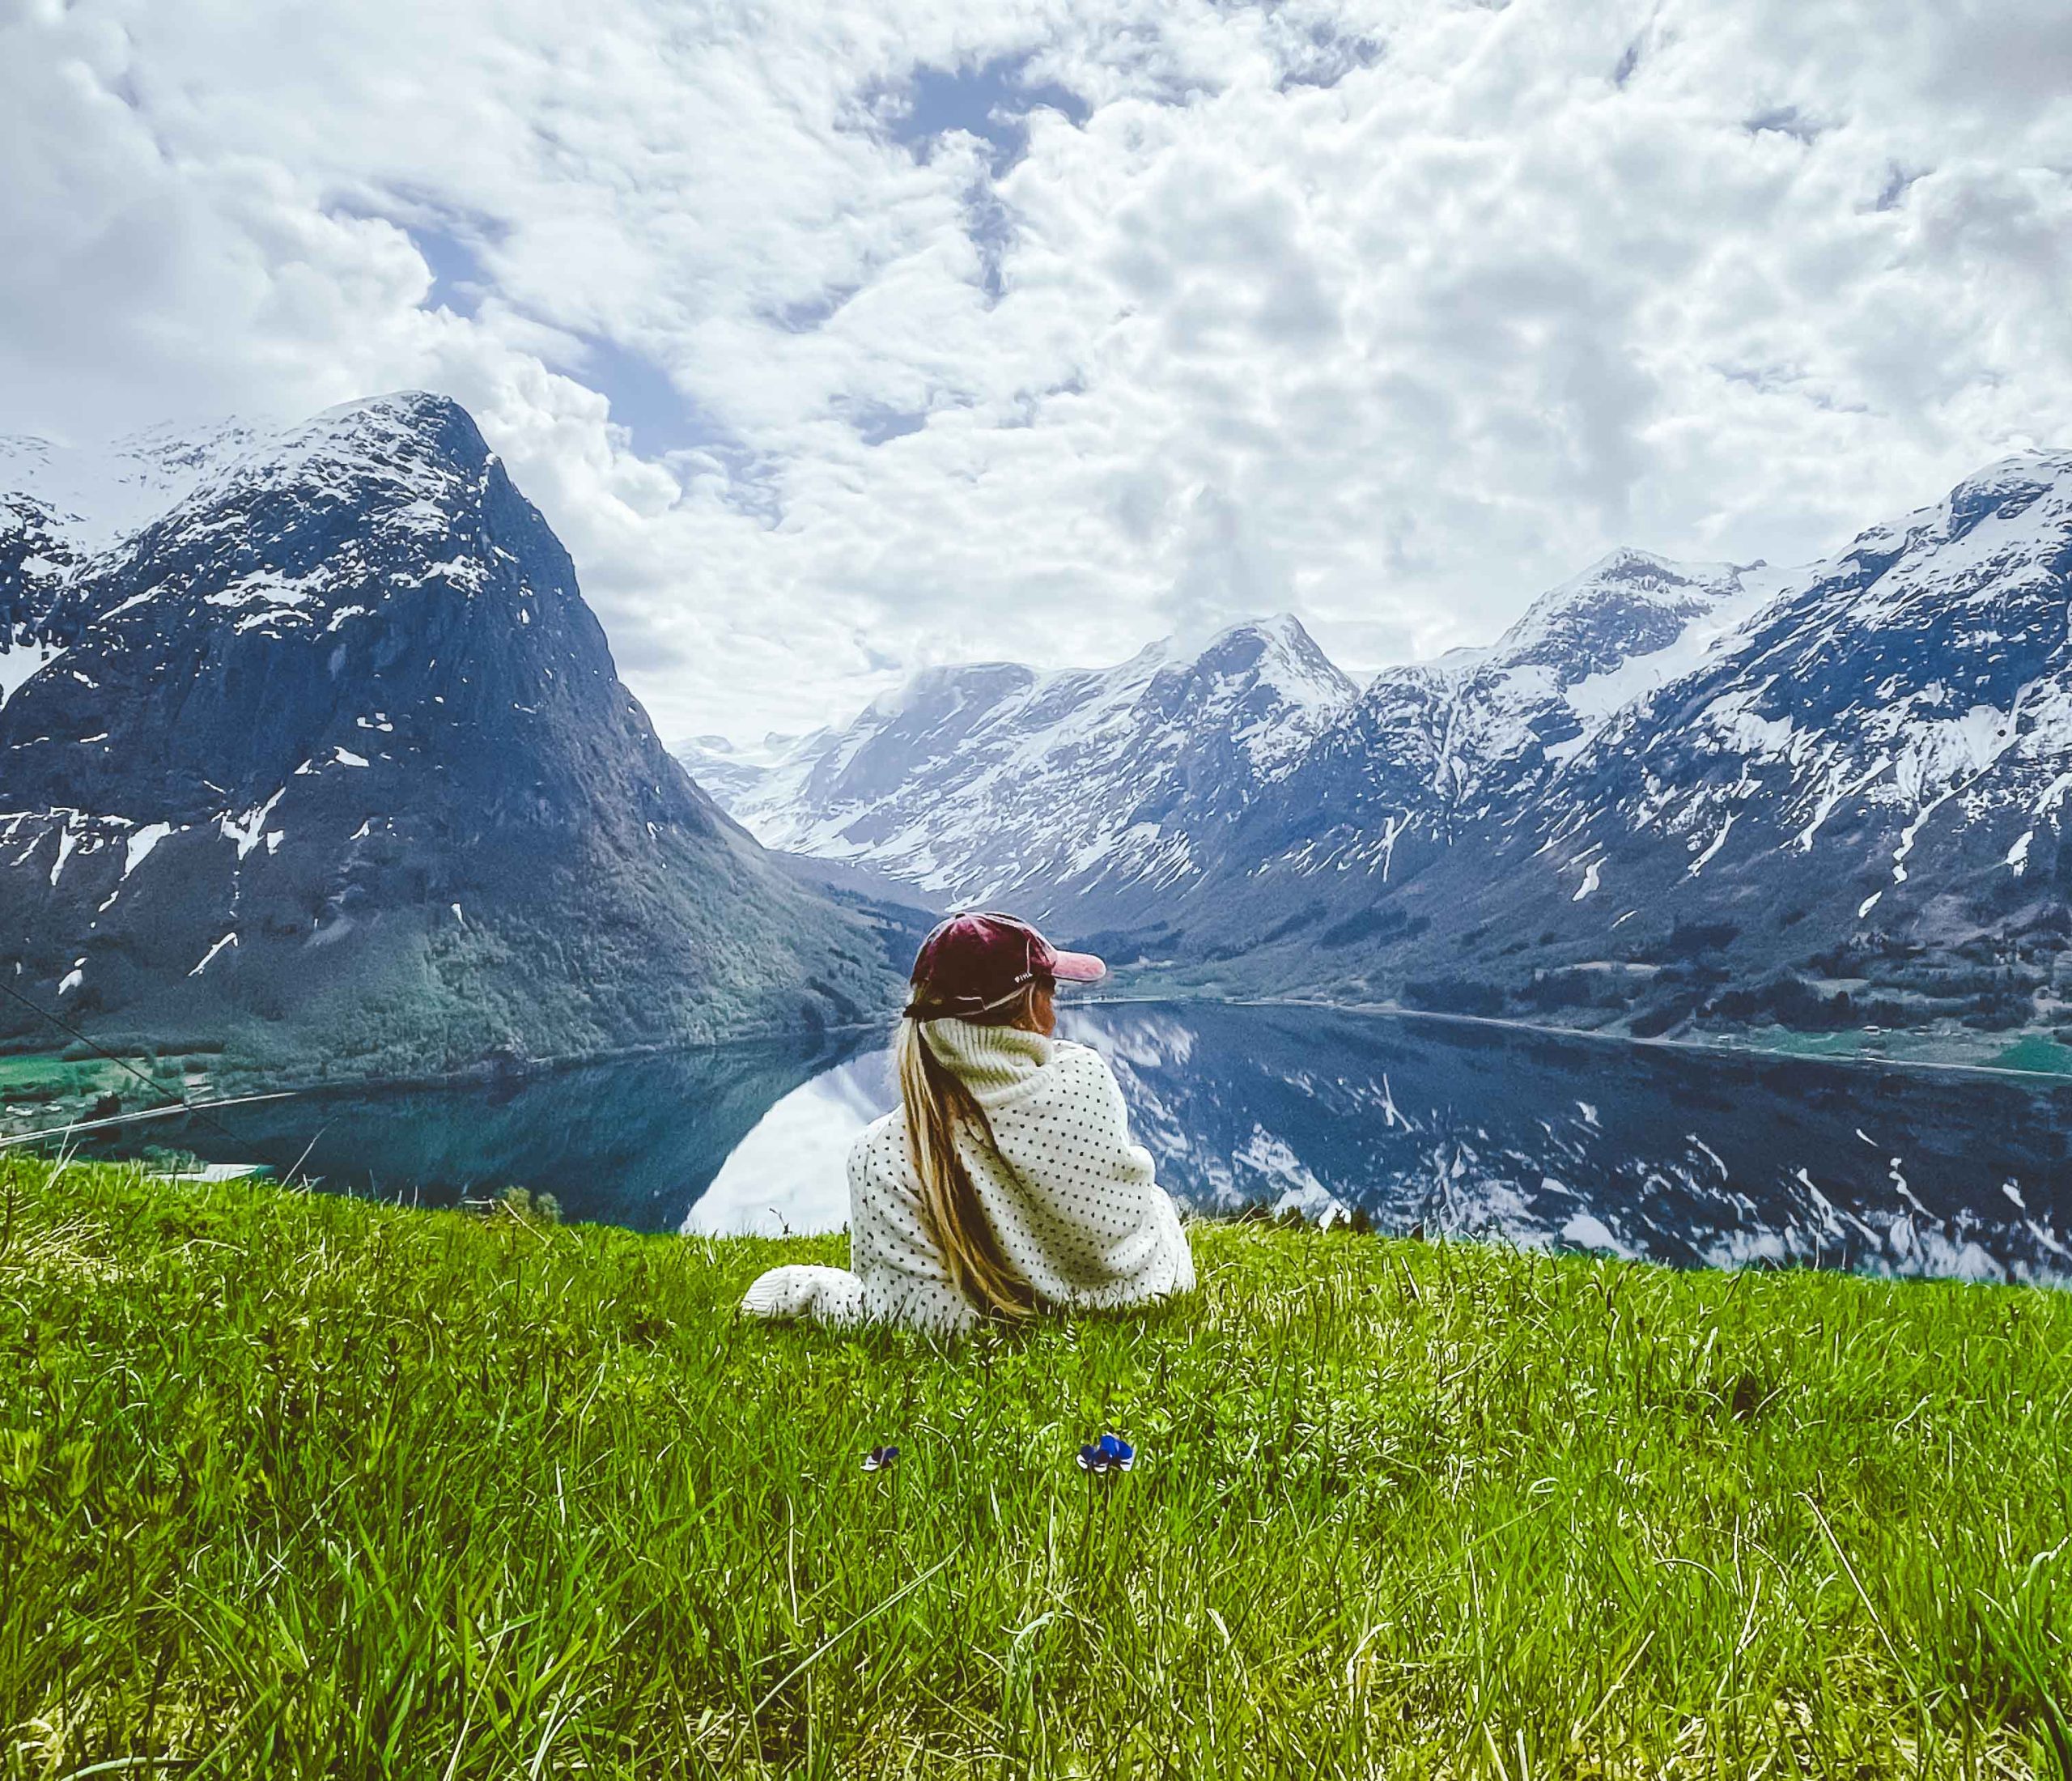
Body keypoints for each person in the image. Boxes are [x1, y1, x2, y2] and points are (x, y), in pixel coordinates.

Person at [740, 910, 1195, 1332]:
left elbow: (922, 1316)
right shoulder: (1085, 1079)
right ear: (1030, 1007)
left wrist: (804, 1289)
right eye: (1050, 994)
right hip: (1155, 1284)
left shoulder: (886, 1155)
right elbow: (1130, 1213)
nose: (1055, 1016)